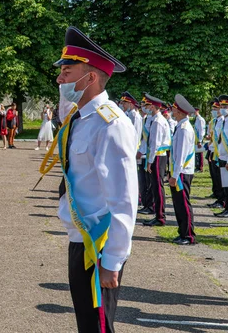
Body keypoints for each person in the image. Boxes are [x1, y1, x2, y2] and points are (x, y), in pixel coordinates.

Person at [53, 26, 137, 333]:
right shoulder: (81, 118)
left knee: (97, 328)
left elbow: (124, 199)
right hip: (81, 241)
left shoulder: (110, 124)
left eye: (67, 70)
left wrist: (113, 260)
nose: (60, 78)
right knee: (88, 326)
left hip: (98, 245)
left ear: (90, 77)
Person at [168, 95, 197, 245]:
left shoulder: (185, 129)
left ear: (179, 111)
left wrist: (175, 175)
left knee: (184, 204)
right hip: (179, 172)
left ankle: (189, 235)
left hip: (182, 172)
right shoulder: (180, 126)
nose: (172, 111)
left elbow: (181, 156)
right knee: (178, 204)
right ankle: (182, 232)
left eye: (174, 109)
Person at [142, 94, 171, 227]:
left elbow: (155, 143)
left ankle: (160, 216)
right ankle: (158, 214)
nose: (145, 108)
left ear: (153, 107)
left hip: (158, 156)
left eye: (147, 106)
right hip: (157, 156)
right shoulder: (154, 119)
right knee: (155, 186)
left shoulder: (158, 121)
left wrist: (150, 161)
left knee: (158, 187)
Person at [215, 94, 228, 218]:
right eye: (221, 106)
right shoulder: (223, 121)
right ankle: (227, 206)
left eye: (225, 106)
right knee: (226, 185)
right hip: (222, 156)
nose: (222, 108)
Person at [137, 98, 154, 215]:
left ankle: (150, 206)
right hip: (143, 153)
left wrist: (142, 151)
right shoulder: (146, 119)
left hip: (148, 154)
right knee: (144, 182)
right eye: (143, 105)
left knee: (150, 183)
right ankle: (146, 204)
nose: (144, 107)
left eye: (146, 105)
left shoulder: (154, 120)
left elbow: (152, 141)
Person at [207, 98, 225, 209]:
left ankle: (223, 200)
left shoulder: (223, 121)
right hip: (214, 151)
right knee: (216, 177)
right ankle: (219, 197)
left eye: (216, 108)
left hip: (221, 153)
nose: (214, 110)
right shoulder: (216, 121)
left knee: (221, 178)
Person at [193, 108, 206, 173]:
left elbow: (201, 130)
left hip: (199, 138)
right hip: (196, 138)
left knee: (199, 153)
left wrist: (200, 140)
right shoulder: (197, 119)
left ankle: (200, 167)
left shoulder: (200, 120)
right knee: (196, 153)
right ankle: (197, 166)